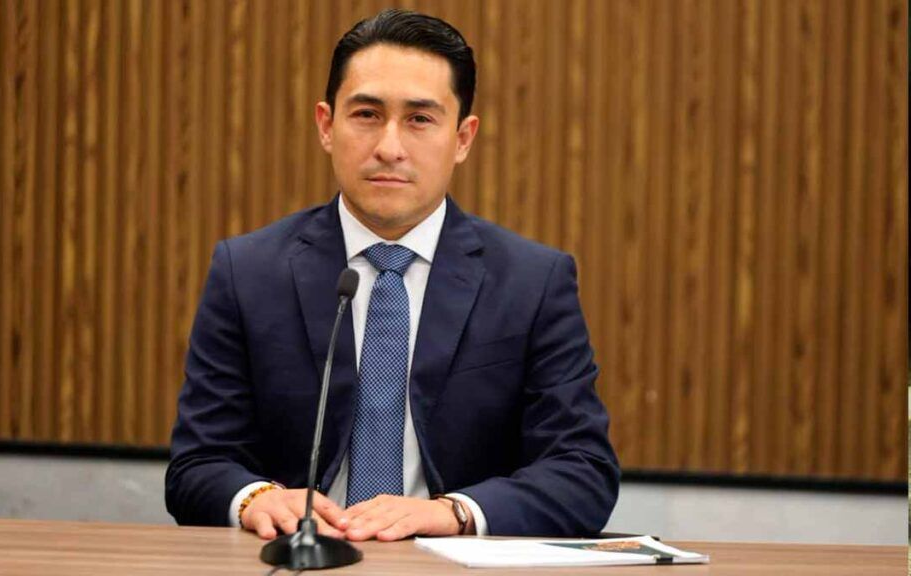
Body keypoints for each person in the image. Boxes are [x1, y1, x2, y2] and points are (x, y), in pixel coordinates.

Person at [165, 8, 619, 541]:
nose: (389, 148)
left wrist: (454, 513)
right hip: (300, 556)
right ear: (326, 125)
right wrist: (256, 498)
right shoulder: (248, 272)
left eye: (420, 119)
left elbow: (582, 470)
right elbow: (197, 465)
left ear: (463, 138)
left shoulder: (532, 282)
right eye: (366, 114)